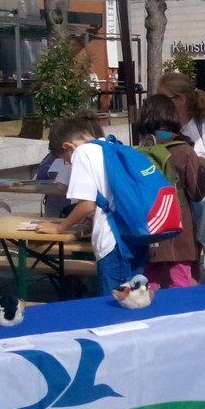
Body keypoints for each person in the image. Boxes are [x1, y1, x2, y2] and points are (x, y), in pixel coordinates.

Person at [36, 116, 141, 295]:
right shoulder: (110, 145)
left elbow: (87, 205)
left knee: (114, 302)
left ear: (68, 146)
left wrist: (59, 228)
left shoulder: (83, 153)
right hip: (135, 236)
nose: (67, 163)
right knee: (134, 298)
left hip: (112, 242)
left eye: (65, 159)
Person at [156, 72, 205, 275]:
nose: (159, 104)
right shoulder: (165, 128)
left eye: (163, 98)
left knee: (192, 259)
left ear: (180, 99)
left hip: (199, 202)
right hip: (172, 203)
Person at [137, 95, 205, 288]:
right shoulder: (183, 149)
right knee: (179, 282)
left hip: (148, 227)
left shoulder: (140, 150)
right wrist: (201, 167)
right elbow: (197, 193)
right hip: (179, 229)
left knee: (149, 281)